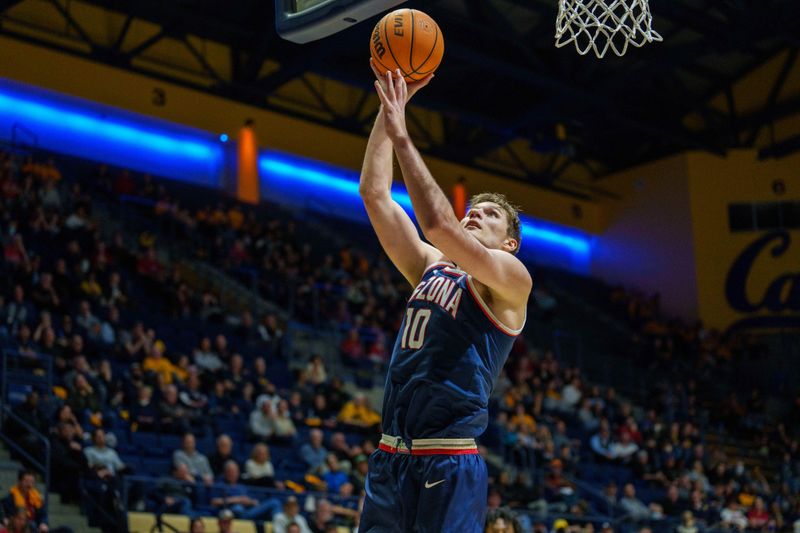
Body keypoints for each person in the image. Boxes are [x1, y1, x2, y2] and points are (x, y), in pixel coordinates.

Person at [358, 62, 531, 532]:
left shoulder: (511, 279)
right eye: (472, 210)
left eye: (489, 214)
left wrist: (404, 137)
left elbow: (438, 225)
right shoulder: (431, 266)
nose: (475, 214)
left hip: (447, 459)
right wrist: (390, 109)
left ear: (509, 241)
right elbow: (375, 195)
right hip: (392, 454)